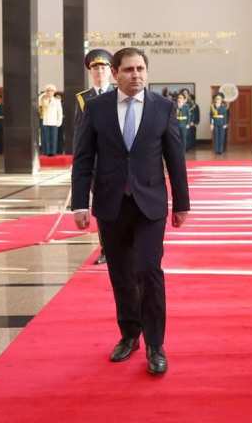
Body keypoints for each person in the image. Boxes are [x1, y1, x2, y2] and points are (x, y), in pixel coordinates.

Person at [71, 47, 191, 377]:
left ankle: (155, 344)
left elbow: (175, 158)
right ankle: (129, 335)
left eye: (140, 69)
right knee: (121, 274)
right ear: (115, 73)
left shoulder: (162, 108)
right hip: (111, 204)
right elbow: (83, 158)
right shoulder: (96, 109)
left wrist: (182, 203)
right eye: (128, 69)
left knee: (149, 270)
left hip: (150, 204)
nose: (135, 74)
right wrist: (79, 203)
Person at [73, 48, 115, 265]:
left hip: (118, 159)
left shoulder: (120, 93)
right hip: (96, 163)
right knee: (103, 208)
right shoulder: (83, 99)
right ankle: (106, 249)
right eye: (95, 68)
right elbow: (80, 134)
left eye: (103, 67)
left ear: (111, 71)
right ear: (90, 72)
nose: (99, 71)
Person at [40, 84, 63, 156]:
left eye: (51, 91)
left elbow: (60, 112)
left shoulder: (57, 101)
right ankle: (46, 152)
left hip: (54, 122)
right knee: (46, 138)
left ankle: (53, 153)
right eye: (48, 91)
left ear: (54, 92)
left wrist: (59, 121)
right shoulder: (43, 100)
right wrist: (43, 94)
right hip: (45, 122)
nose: (49, 92)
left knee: (53, 138)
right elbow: (39, 103)